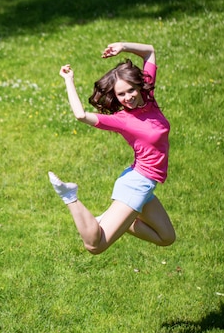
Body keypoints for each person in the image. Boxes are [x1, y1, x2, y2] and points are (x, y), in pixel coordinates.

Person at [49, 41, 175, 254]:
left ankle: (118, 220)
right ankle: (70, 196)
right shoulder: (122, 119)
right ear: (115, 97)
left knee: (166, 238)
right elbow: (80, 115)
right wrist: (68, 80)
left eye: (131, 91)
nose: (128, 98)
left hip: (146, 185)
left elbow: (150, 52)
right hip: (136, 185)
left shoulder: (148, 100)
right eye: (121, 95)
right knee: (95, 245)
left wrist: (123, 47)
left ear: (139, 87)